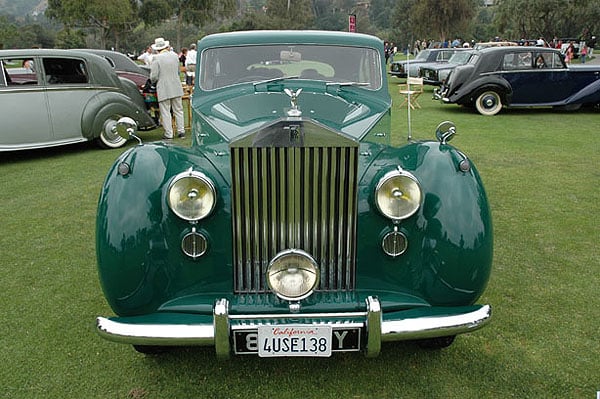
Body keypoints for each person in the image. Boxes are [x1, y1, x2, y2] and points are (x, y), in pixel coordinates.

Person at [150, 37, 185, 139]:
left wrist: (153, 81)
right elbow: (178, 71)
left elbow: (154, 76)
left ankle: (169, 133)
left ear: (157, 48)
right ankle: (181, 131)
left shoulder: (156, 58)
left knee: (165, 111)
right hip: (176, 85)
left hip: (163, 87)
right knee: (178, 110)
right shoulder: (174, 56)